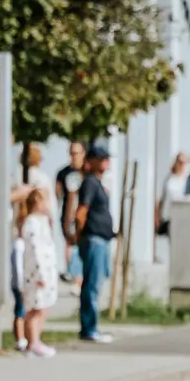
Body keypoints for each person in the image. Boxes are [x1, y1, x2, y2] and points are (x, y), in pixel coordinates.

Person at [74, 144, 118, 344]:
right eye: (101, 159)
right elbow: (81, 212)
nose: (105, 162)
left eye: (106, 159)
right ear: (90, 161)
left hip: (101, 239)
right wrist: (79, 234)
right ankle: (89, 328)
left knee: (96, 283)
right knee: (91, 285)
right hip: (94, 239)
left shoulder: (99, 183)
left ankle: (91, 327)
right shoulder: (90, 182)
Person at [13, 186, 61, 358]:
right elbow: (35, 249)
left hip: (46, 269)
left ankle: (35, 341)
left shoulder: (42, 221)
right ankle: (33, 342)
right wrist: (39, 274)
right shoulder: (32, 222)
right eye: (46, 200)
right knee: (36, 308)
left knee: (43, 307)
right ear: (38, 202)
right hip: (36, 272)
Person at [55, 140, 87, 284]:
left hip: (84, 214)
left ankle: (80, 277)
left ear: (83, 154)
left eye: (77, 153)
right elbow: (57, 194)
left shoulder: (87, 172)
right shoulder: (63, 173)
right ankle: (74, 276)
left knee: (82, 244)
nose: (75, 156)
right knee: (69, 244)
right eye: (72, 153)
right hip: (68, 214)